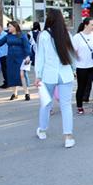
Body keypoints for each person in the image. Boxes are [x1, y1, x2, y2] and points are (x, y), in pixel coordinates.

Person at [34, 9, 77, 148]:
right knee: (66, 106)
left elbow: (40, 57)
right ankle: (68, 137)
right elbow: (72, 55)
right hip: (65, 74)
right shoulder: (67, 34)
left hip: (48, 75)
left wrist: (38, 75)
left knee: (46, 103)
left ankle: (42, 129)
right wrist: (73, 70)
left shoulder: (44, 35)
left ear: (49, 19)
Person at [0, 21, 31, 101]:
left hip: (21, 58)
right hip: (10, 58)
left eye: (9, 26)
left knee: (21, 75)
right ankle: (14, 93)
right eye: (8, 26)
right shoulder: (7, 36)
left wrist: (28, 56)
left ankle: (27, 93)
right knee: (12, 75)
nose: (8, 28)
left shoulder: (22, 35)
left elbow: (27, 46)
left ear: (14, 27)